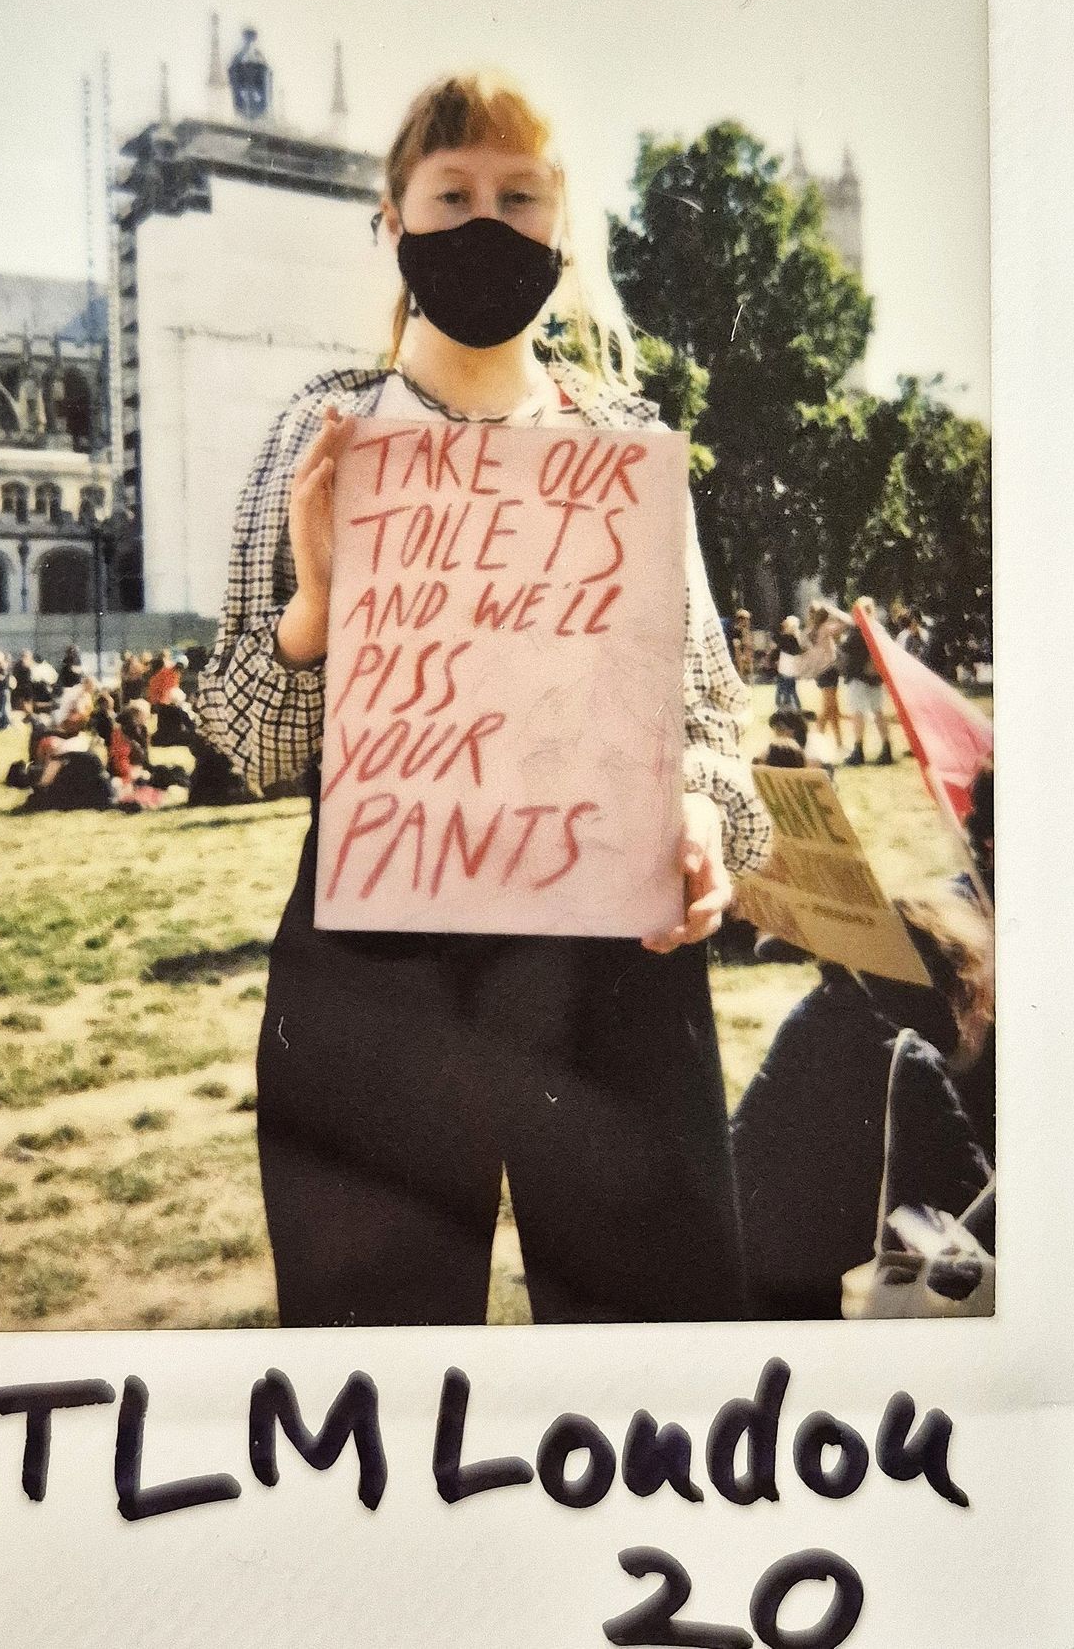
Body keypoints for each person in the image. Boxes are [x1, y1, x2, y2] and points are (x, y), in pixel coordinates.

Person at [198, 71, 772, 1328]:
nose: (486, 224)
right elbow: (246, 739)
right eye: (452, 193)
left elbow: (714, 725)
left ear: (566, 232)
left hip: (616, 967)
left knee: (655, 1358)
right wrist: (314, 607)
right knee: (376, 1372)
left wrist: (702, 820)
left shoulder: (624, 445)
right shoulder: (324, 436)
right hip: (376, 974)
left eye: (521, 197)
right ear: (393, 221)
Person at [731, 887, 994, 1318]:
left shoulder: (816, 1015)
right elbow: (976, 1205)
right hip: (830, 1298)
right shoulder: (908, 1059)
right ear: (944, 981)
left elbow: (745, 1143)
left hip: (757, 1275)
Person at [838, 598, 895, 765]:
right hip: (874, 678)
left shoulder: (860, 630)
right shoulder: (878, 629)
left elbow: (846, 648)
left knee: (857, 713)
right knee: (877, 713)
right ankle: (886, 749)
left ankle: (858, 751)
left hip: (859, 677)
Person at [798, 599, 847, 754]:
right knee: (828, 709)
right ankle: (813, 744)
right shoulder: (825, 628)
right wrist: (833, 610)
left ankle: (839, 744)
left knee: (833, 709)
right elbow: (847, 622)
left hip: (820, 672)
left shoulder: (806, 633)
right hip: (829, 670)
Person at [773, 615, 802, 709]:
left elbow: (776, 642)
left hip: (785, 668)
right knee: (791, 690)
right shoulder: (795, 638)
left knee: (784, 690)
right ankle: (796, 708)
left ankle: (785, 708)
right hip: (791, 668)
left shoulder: (786, 637)